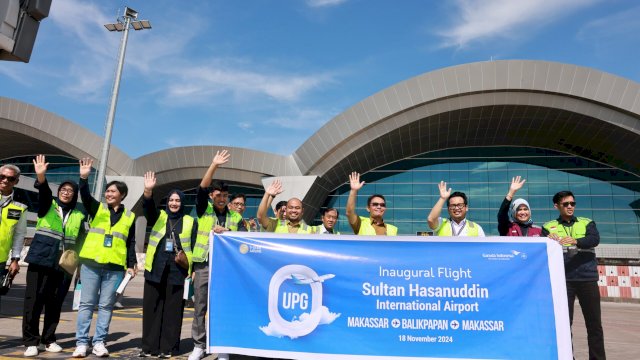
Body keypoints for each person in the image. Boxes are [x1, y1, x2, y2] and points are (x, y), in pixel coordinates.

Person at [73, 158, 137, 358]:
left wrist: (131, 265)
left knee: (106, 306)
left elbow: (131, 242)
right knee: (86, 305)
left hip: (115, 267)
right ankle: (81, 343)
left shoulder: (130, 216)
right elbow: (84, 196)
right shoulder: (98, 208)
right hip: (91, 264)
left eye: (113, 191)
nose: (108, 194)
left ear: (122, 195)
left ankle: (99, 342)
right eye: (107, 191)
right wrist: (84, 178)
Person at [22, 155, 85, 357]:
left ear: (74, 195)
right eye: (63, 190)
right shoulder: (47, 206)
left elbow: (81, 244)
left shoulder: (79, 215)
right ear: (58, 193)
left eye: (70, 191)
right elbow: (43, 193)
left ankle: (48, 339)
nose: (66, 193)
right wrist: (41, 177)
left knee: (55, 303)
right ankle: (31, 340)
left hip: (64, 266)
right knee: (33, 300)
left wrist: (79, 268)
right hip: (41, 259)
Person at [189, 150, 245, 360]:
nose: (221, 198)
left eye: (224, 195)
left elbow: (243, 241)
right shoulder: (204, 210)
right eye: (218, 195)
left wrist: (229, 233)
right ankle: (199, 345)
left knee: (223, 307)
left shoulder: (236, 217)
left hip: (226, 270)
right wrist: (214, 165)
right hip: (204, 266)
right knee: (199, 307)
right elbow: (202, 188)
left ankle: (222, 345)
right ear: (212, 196)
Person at [542, 191, 605, 359]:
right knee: (564, 326)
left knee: (594, 325)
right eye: (566, 204)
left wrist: (576, 241)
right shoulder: (548, 227)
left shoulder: (587, 222)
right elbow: (542, 248)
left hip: (587, 279)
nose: (570, 207)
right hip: (563, 281)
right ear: (556, 206)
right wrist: (548, 239)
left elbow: (594, 240)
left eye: (572, 203)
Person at [140, 172, 195, 358]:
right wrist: (148, 191)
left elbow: (193, 246)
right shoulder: (160, 216)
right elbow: (148, 209)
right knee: (151, 309)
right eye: (171, 200)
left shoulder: (189, 221)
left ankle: (169, 348)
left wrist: (192, 269)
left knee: (173, 312)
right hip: (155, 269)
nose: (174, 203)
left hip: (177, 271)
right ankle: (149, 347)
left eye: (178, 200)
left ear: (183, 203)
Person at [0, 163, 27, 304]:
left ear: (16, 181)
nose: (5, 180)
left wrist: (15, 259)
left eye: (10, 178)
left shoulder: (20, 205)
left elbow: (19, 234)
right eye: (2, 177)